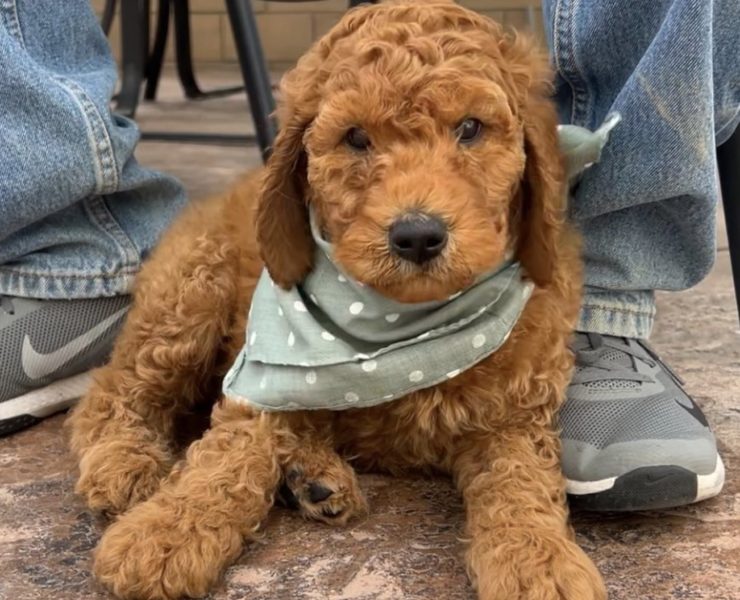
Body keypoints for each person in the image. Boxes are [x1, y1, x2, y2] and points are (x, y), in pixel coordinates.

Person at [0, 0, 737, 512]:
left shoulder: (534, 260)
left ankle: (610, 313)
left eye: (470, 131)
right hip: (269, 330)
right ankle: (109, 384)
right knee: (196, 287)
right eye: (358, 141)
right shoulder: (272, 233)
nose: (416, 209)